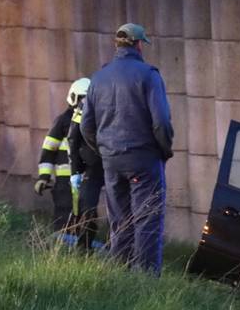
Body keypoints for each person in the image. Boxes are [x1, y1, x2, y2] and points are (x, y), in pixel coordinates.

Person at [79, 23, 174, 276]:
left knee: (119, 220)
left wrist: (103, 151)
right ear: (139, 45)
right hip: (143, 158)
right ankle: (145, 281)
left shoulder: (98, 78)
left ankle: (120, 277)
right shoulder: (148, 75)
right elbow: (161, 121)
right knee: (147, 220)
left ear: (117, 45)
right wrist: (164, 150)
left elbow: (86, 125)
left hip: (111, 160)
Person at [65, 77, 104, 250]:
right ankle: (84, 248)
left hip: (95, 166)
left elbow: (73, 142)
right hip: (101, 164)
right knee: (87, 210)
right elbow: (73, 141)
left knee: (87, 208)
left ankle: (84, 247)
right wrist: (76, 172)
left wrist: (75, 171)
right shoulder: (99, 108)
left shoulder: (82, 112)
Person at [34, 82, 78, 231]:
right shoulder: (63, 121)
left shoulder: (94, 120)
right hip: (64, 179)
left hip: (85, 178)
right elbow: (48, 150)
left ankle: (83, 247)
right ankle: (63, 246)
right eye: (82, 98)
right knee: (64, 212)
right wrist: (44, 177)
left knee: (86, 213)